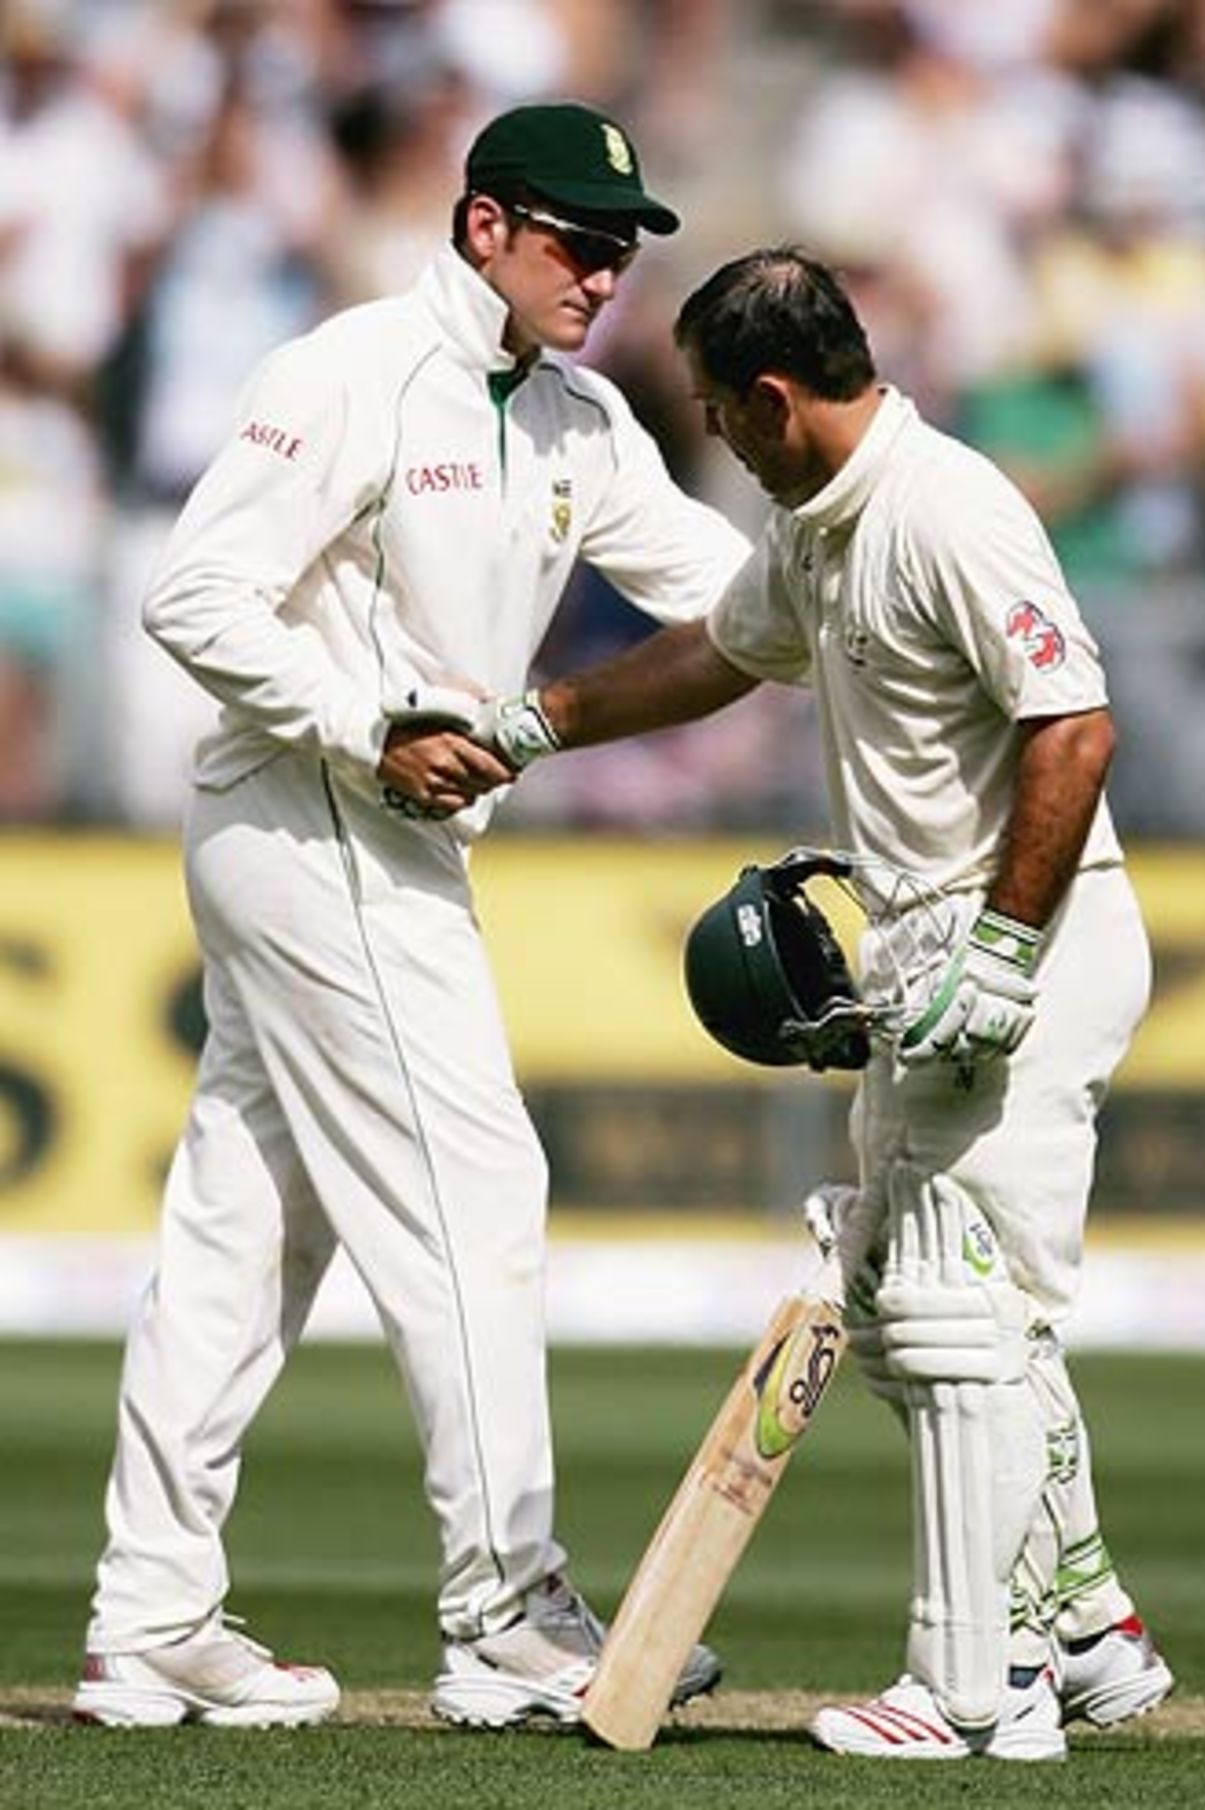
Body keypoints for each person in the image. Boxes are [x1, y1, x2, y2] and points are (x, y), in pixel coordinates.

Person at [73, 101, 748, 1731]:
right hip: (312, 810)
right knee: (475, 1183)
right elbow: (195, 594)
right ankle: (504, 1606)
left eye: (620, 248)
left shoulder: (585, 420)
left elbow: (739, 595)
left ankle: (150, 1613)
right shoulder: (351, 371)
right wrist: (367, 713)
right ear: (483, 226)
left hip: (391, 838)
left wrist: (898, 567)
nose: (602, 273)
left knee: (248, 1230)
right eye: (577, 241)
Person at [467, 248, 1174, 1761]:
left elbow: (1077, 727)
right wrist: (542, 719)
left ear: (779, 399)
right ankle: (1093, 1625)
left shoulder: (946, 509)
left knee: (955, 1316)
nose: (721, 438)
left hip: (1023, 940)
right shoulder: (816, 528)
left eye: (725, 415)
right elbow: (719, 656)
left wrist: (999, 949)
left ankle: (981, 1689)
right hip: (933, 950)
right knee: (934, 1302)